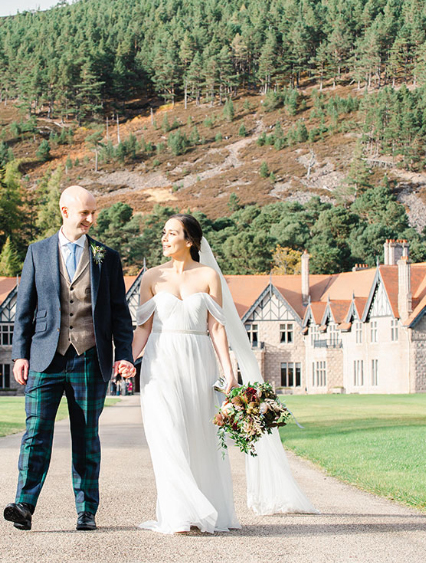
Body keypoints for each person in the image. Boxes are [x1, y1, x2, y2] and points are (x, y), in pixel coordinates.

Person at [132, 214, 316, 534]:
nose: (164, 238)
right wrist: (122, 360)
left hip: (198, 360)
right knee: (166, 435)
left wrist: (230, 372)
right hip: (159, 363)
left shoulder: (208, 276)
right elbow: (142, 329)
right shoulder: (151, 277)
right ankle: (179, 512)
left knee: (198, 436)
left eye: (171, 233)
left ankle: (202, 509)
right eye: (163, 233)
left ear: (189, 240)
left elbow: (217, 328)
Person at [5, 186, 136, 532]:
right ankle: (24, 505)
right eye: (85, 213)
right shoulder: (37, 252)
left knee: (86, 436)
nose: (91, 219)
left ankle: (86, 510)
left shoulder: (106, 257)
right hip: (45, 358)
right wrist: (20, 354)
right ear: (65, 212)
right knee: (35, 432)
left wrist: (124, 355)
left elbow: (121, 314)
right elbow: (24, 310)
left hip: (90, 358)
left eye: (94, 213)